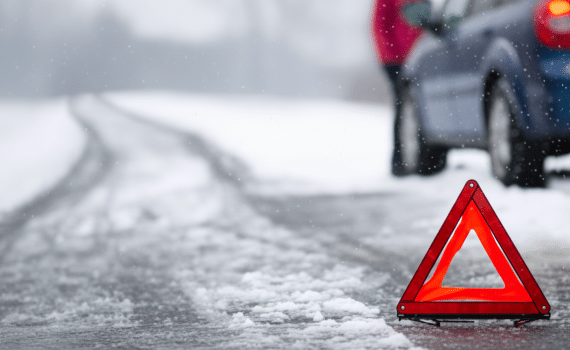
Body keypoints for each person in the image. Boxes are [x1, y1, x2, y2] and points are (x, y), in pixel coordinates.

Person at [371, 0, 424, 175]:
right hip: (398, 61)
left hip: (421, 57)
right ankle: (400, 160)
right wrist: (392, 59)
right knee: (404, 108)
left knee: (418, 108)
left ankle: (424, 159)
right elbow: (380, 25)